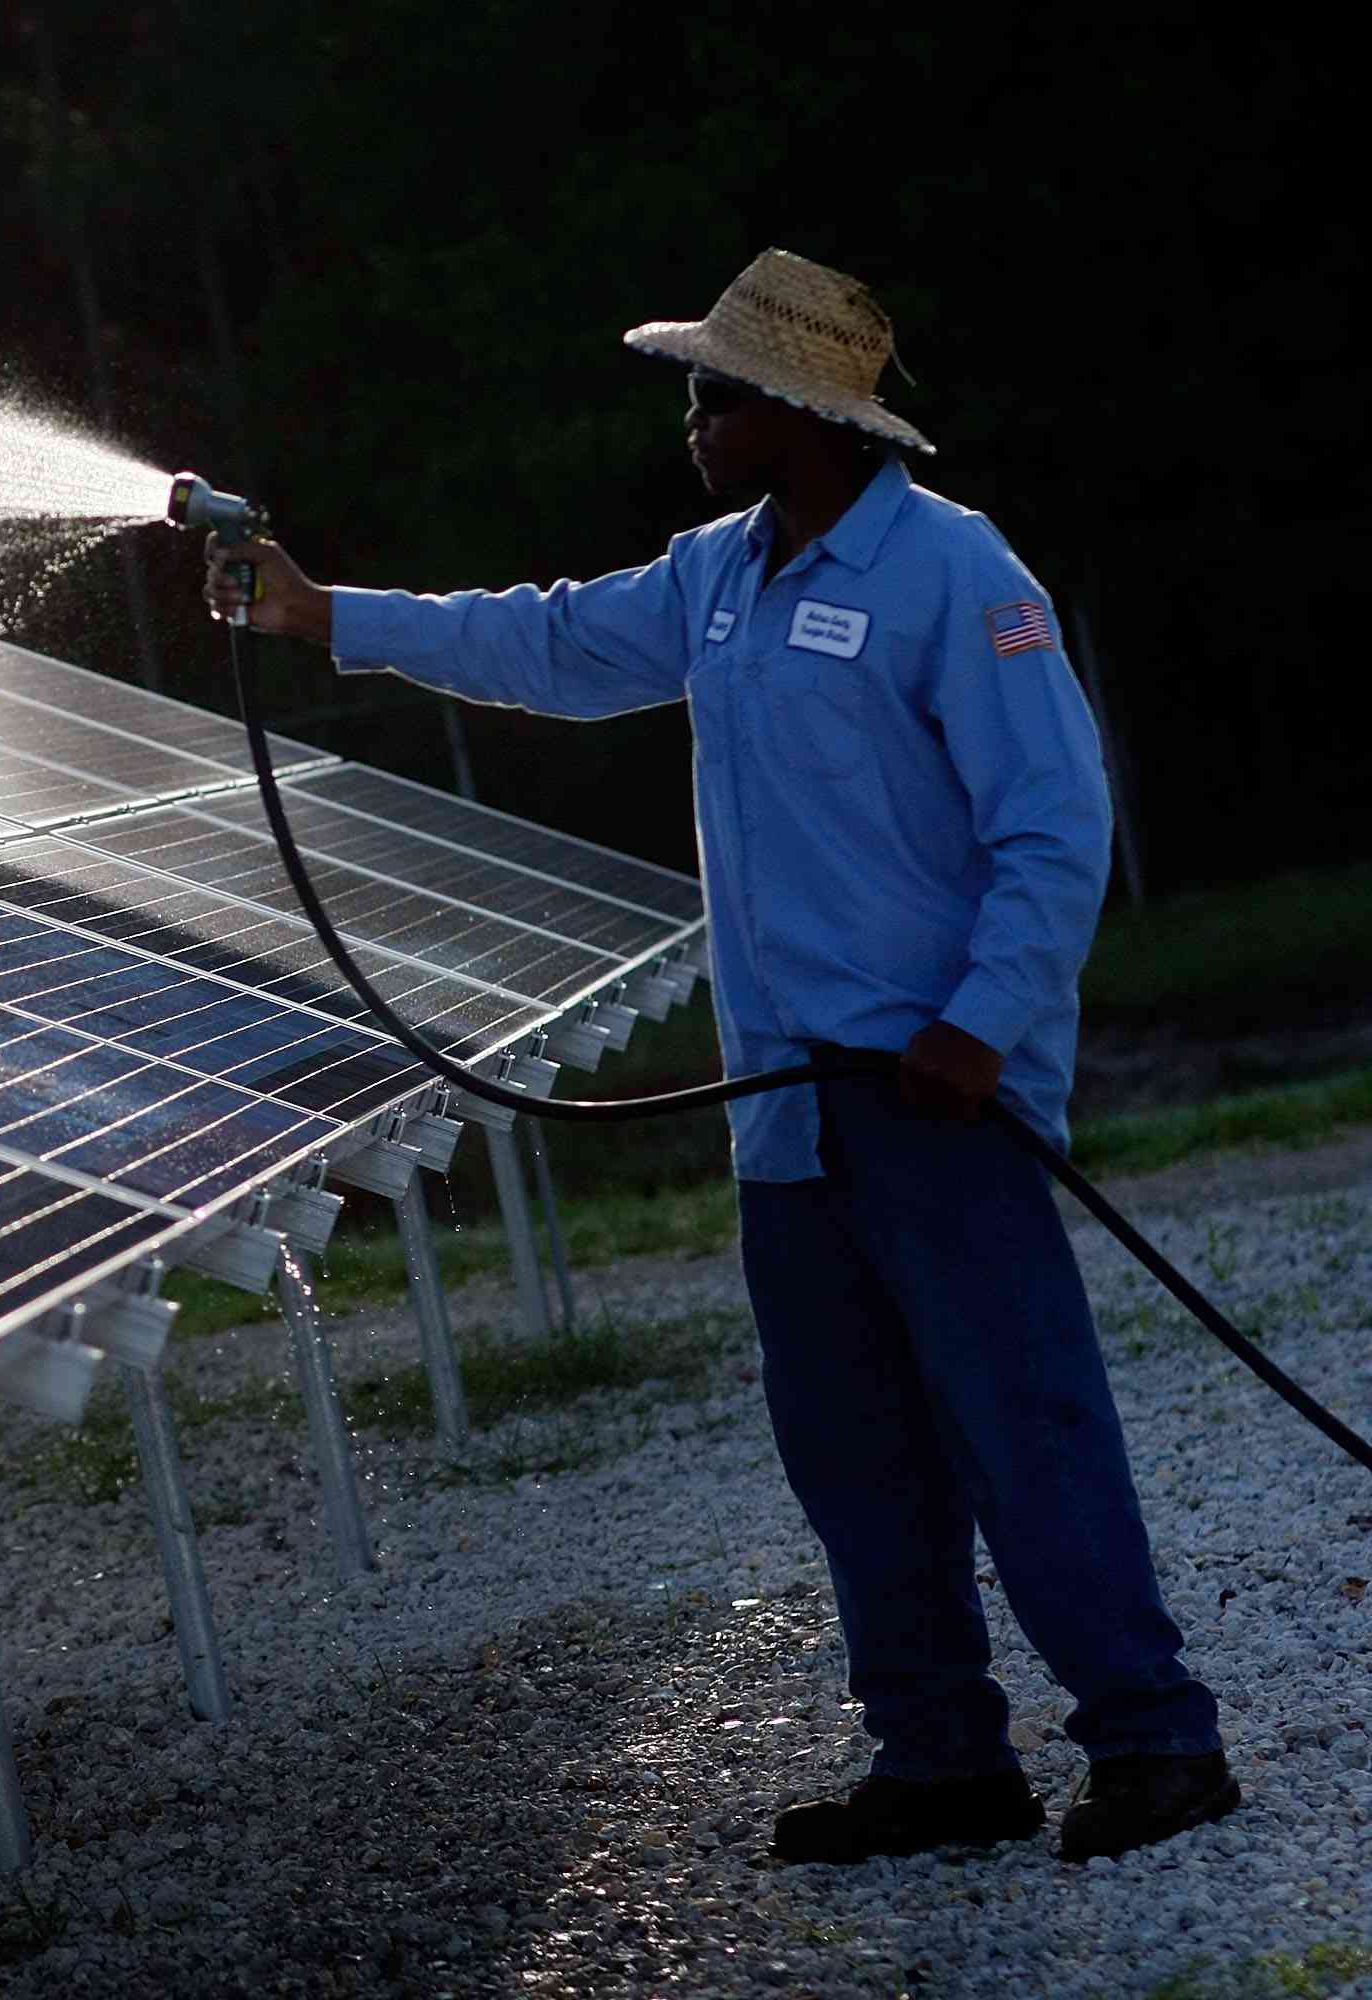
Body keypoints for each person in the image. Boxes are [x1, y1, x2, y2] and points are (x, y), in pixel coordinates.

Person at [206, 248, 1236, 1867]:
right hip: (790, 1116)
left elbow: (1055, 828)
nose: (690, 418)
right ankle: (944, 1762)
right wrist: (325, 615)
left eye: (716, 394)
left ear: (803, 415)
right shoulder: (723, 575)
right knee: (853, 1453)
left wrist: (984, 1025)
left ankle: (1157, 1742)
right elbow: (544, 641)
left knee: (1020, 1425)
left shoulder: (958, 575)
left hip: (933, 1096)